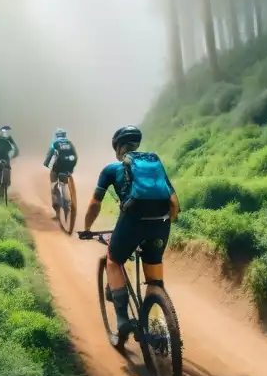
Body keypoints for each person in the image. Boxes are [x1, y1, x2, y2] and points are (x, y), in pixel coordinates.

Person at [78, 125, 180, 340]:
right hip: (161, 225)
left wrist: (87, 228)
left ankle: (123, 320)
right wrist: (163, 222)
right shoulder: (154, 165)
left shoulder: (111, 170)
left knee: (114, 261)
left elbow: (95, 204)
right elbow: (174, 203)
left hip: (132, 223)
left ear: (118, 148)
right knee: (154, 280)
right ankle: (159, 321)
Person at [43, 128, 78, 210]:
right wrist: (72, 168)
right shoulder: (70, 143)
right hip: (69, 166)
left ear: (56, 136)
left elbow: (50, 154)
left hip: (58, 166)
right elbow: (75, 156)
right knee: (64, 182)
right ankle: (67, 198)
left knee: (53, 177)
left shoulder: (55, 143)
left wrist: (46, 164)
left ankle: (55, 195)